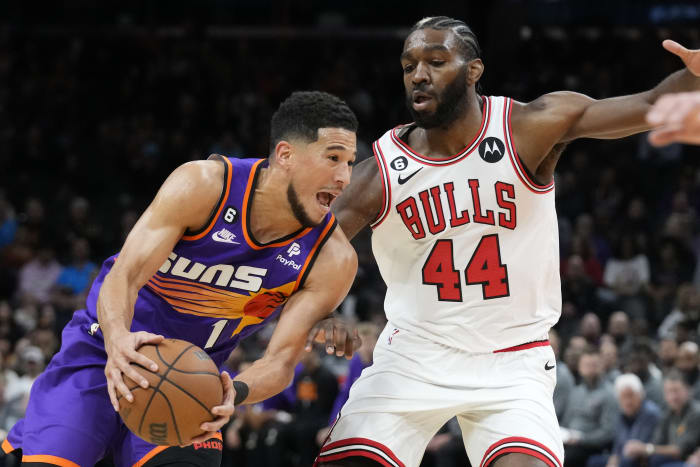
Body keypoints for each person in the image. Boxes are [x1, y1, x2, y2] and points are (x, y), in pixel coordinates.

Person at [316, 15, 700, 467]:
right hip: (413, 357)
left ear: (473, 70)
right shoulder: (381, 170)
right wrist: (324, 309)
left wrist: (694, 77)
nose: (419, 74)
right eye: (409, 65)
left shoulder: (526, 127)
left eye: (436, 61)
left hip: (513, 361)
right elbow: (311, 245)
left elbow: (651, 102)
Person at [1, 91, 361, 467]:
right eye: (333, 158)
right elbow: (124, 277)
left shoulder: (332, 258)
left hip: (190, 380)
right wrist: (119, 340)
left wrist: (232, 392)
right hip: (101, 352)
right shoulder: (205, 186)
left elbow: (281, 362)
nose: (344, 177)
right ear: (285, 155)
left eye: (350, 163)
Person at [622, 370, 700, 467]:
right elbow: (657, 441)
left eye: (676, 390)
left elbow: (680, 449)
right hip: (670, 459)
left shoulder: (695, 413)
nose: (673, 397)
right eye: (669, 392)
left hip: (689, 460)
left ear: (687, 390)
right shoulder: (667, 413)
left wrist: (645, 449)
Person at [586, 373, 661, 467]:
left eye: (631, 396)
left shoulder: (650, 413)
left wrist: (617, 458)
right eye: (623, 397)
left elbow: (636, 444)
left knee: (627, 461)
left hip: (643, 457)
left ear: (640, 395)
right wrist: (614, 456)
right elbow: (618, 442)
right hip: (624, 454)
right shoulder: (620, 412)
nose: (628, 401)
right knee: (594, 461)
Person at [559, 347, 618, 467]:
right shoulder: (576, 391)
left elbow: (608, 432)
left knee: (566, 458)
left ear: (601, 366)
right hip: (568, 440)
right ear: (580, 367)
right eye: (586, 365)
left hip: (590, 445)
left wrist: (582, 438)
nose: (590, 369)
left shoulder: (609, 393)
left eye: (594, 365)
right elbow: (566, 420)